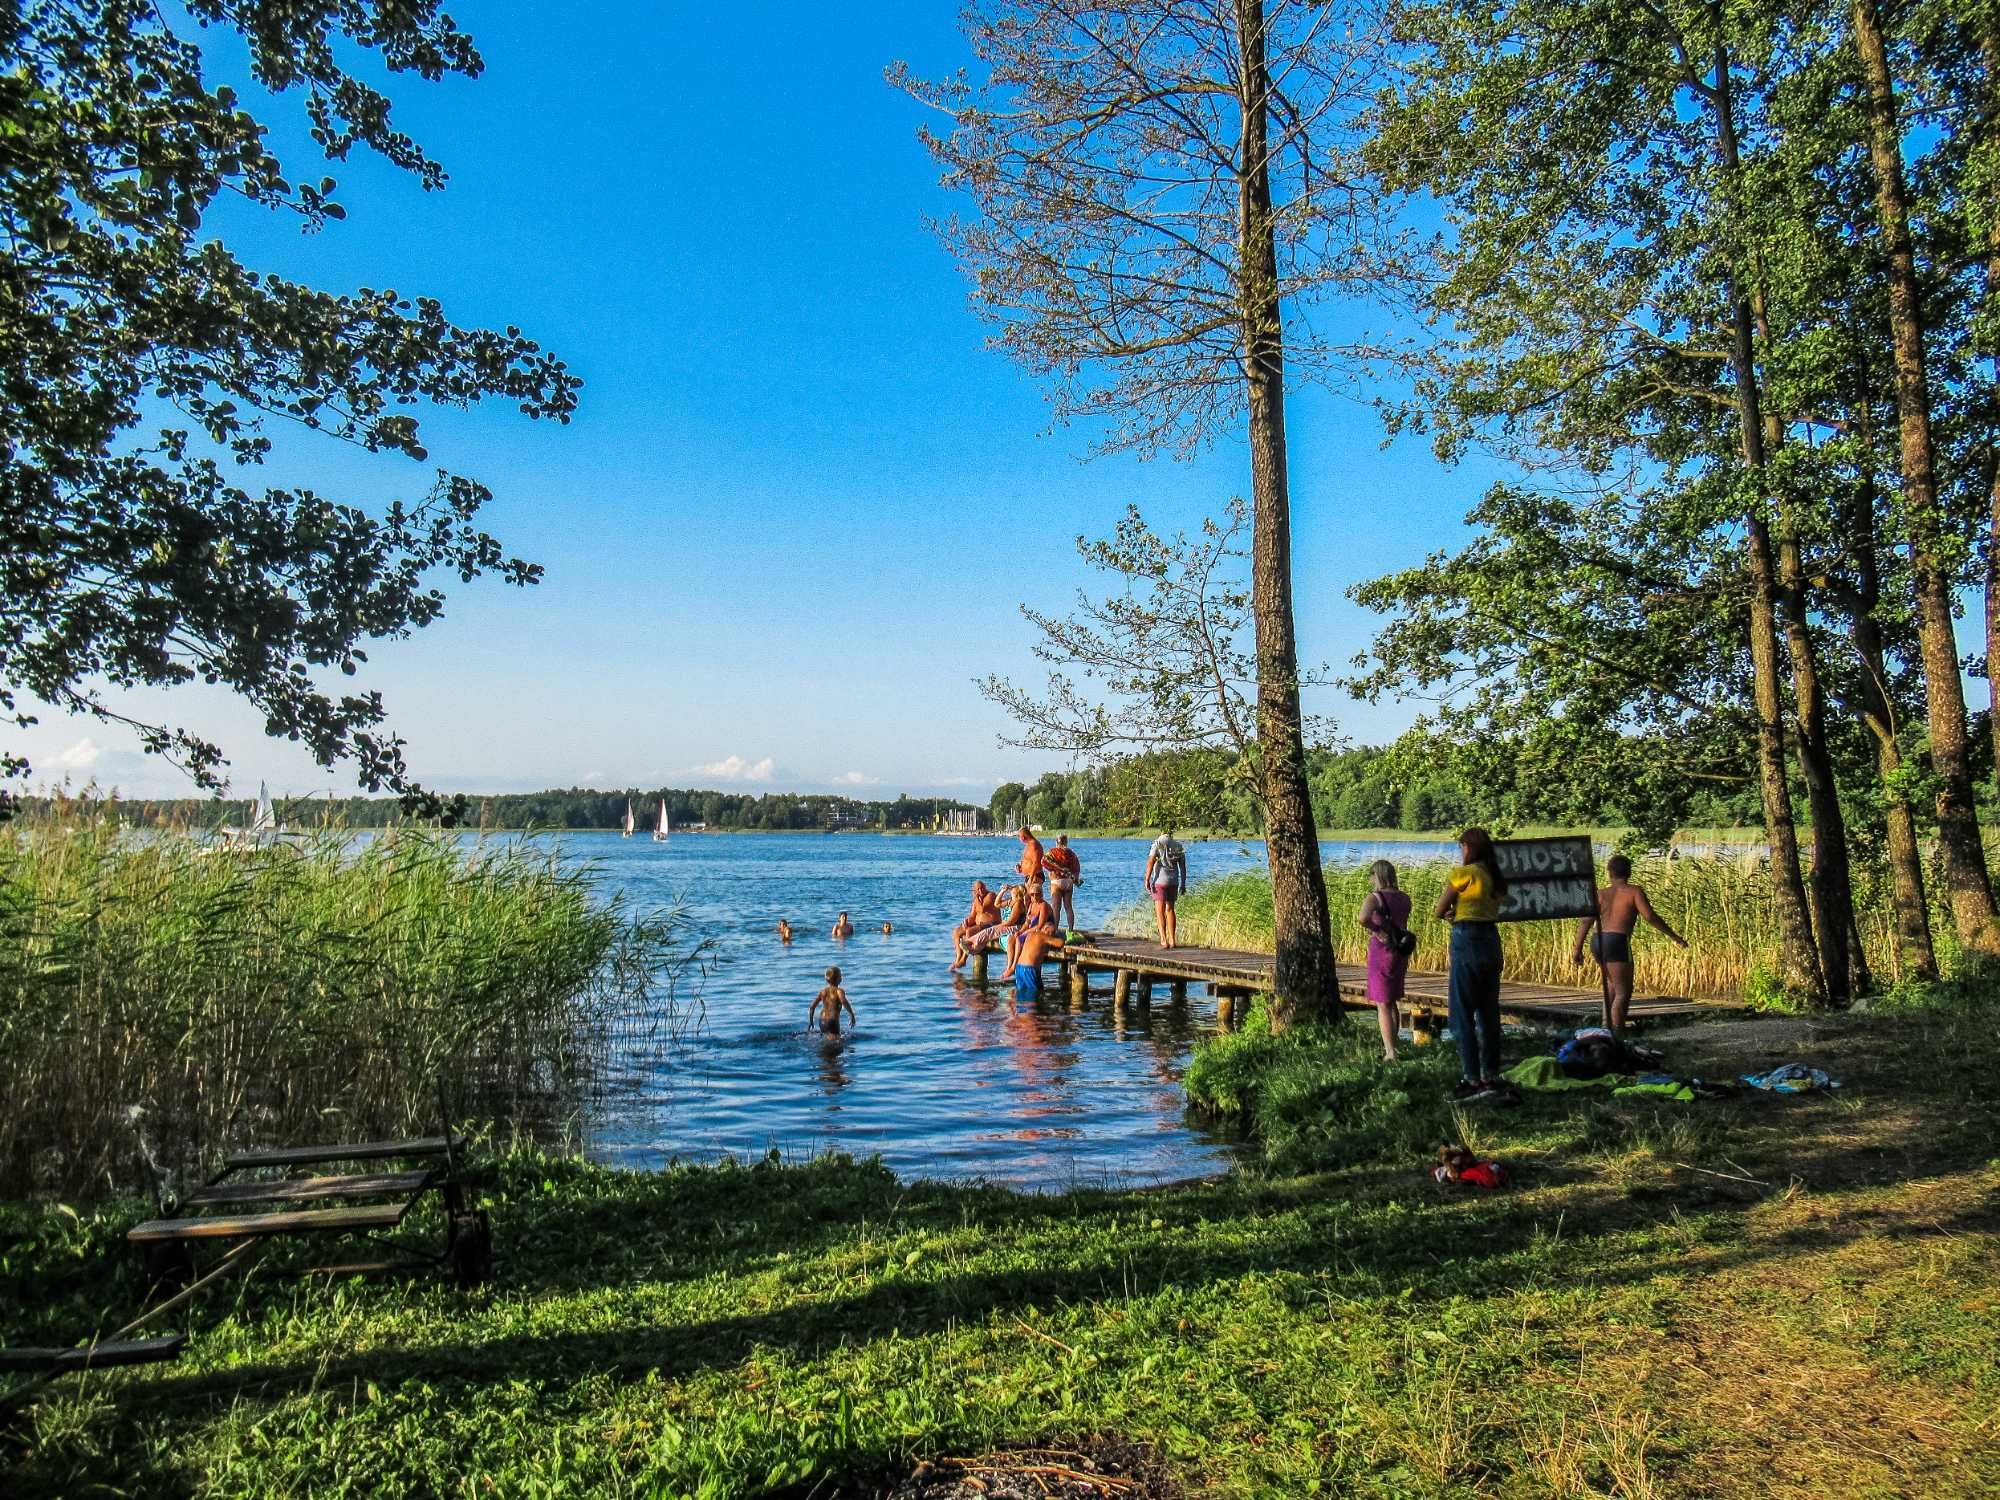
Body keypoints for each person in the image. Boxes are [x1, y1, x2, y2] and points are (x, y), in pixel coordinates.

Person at [1571, 854, 1688, 1032]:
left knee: (1611, 985)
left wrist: (1577, 949)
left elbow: (1586, 921)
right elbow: (1650, 916)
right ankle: (1617, 1032)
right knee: (1623, 991)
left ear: (1609, 873)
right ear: (1629, 873)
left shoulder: (1600, 894)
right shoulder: (1634, 892)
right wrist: (1674, 936)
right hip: (1617, 940)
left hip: (1597, 941)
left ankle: (1605, 1029)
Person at [1434, 827, 1508, 1099]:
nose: (1461, 851)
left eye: (1462, 846)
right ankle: (1490, 1074)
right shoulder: (1494, 876)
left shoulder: (1463, 875)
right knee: (1489, 1012)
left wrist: (1453, 916)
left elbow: (1440, 910)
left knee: (1461, 1012)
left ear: (1469, 847)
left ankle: (1471, 1077)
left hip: (1467, 939)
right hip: (1491, 939)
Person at [1358, 860, 1413, 1061]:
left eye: (1371, 874)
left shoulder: (1375, 898)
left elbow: (1362, 918)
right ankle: (1393, 1045)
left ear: (1377, 875)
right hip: (1400, 950)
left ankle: (1390, 1052)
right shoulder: (1404, 898)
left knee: (1382, 1003)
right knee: (1393, 1001)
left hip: (1382, 951)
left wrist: (1377, 931)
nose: (1370, 879)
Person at [1143, 827, 1188, 949]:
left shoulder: (1157, 843)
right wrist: (1183, 883)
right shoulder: (1178, 845)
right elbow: (1183, 867)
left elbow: (1151, 862)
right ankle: (1172, 940)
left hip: (1160, 882)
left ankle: (1163, 940)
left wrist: (1147, 879)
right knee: (1170, 910)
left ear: (1161, 831)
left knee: (1159, 911)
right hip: (1174, 882)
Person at [1000, 881, 1055, 979]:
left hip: (1043, 932)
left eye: (1037, 894)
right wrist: (1021, 931)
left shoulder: (1043, 906)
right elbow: (1027, 922)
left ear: (1041, 894)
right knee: (1011, 938)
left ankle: (1014, 967)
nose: (1034, 896)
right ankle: (1009, 966)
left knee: (1019, 939)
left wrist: (1024, 932)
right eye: (1032, 894)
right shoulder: (1031, 905)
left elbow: (1040, 925)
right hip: (1033, 931)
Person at [951, 881, 1000, 969]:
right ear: (974, 890)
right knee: (956, 932)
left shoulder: (991, 895)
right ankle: (958, 957)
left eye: (982, 888)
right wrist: (966, 922)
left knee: (969, 931)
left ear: (985, 887)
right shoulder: (977, 899)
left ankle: (964, 959)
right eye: (978, 889)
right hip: (978, 925)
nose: (981, 890)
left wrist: (976, 897)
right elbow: (973, 916)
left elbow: (982, 908)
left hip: (991, 925)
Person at [1045, 835, 1081, 929]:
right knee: (1068, 907)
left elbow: (1044, 862)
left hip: (1056, 881)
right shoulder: (1071, 853)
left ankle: (1055, 930)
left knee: (1056, 908)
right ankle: (1070, 931)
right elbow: (1076, 868)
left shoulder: (1052, 852)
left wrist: (1056, 868)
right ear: (1066, 842)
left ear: (1056, 842)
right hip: (1068, 882)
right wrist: (1076, 878)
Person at [808, 966, 855, 1034]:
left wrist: (811, 1021)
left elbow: (812, 1007)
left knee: (826, 1038)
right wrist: (851, 1014)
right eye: (840, 976)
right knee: (836, 1042)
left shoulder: (823, 991)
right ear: (838, 979)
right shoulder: (839, 991)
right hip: (832, 1020)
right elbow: (844, 1001)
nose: (841, 977)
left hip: (822, 1020)